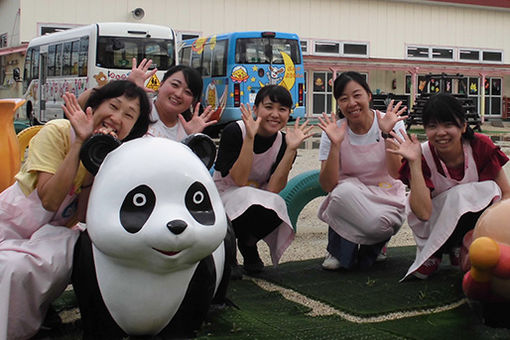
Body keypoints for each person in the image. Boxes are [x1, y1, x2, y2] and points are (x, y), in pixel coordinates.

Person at [0, 80, 151, 340]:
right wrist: (80, 142)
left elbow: (83, 216)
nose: (116, 118)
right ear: (95, 106)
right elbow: (49, 200)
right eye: (113, 106)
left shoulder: (114, 157)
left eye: (128, 115)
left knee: (18, 267)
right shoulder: (58, 131)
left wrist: (98, 166)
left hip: (52, 233)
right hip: (13, 219)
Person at [389, 93, 510, 280]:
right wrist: (414, 163)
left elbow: (505, 194)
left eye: (448, 124)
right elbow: (423, 213)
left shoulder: (480, 146)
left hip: (470, 222)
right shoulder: (420, 154)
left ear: (463, 126)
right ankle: (434, 252)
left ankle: (463, 243)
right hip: (432, 221)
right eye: (432, 126)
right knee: (460, 195)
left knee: (490, 190)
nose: (440, 132)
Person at [213, 85, 313, 274]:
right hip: (224, 197)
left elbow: (274, 189)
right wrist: (249, 138)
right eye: (269, 107)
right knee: (246, 196)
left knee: (278, 205)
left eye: (282, 109)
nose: (275, 114)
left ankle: (248, 243)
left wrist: (291, 150)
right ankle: (227, 251)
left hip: (255, 197)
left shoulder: (284, 142)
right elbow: (240, 180)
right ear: (256, 109)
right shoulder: (234, 131)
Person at [317, 71, 408, 271]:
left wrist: (386, 134)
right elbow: (327, 184)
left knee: (380, 226)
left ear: (369, 96)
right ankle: (336, 248)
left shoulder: (391, 122)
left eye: (357, 95)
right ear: (338, 104)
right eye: (344, 98)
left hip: (386, 193)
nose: (351, 103)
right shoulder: (335, 130)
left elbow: (396, 173)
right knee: (340, 193)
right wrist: (335, 145)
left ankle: (377, 244)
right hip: (351, 196)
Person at [141, 61, 217, 140]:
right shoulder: (138, 111)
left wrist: (190, 138)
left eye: (187, 92)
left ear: (193, 101)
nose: (178, 94)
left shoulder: (187, 129)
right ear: (161, 84)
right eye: (175, 85)